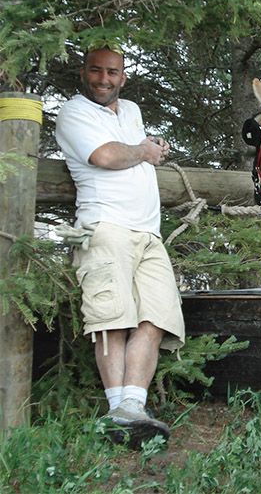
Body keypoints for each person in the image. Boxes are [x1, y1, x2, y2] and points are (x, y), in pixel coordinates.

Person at [55, 39, 185, 447]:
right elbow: (106, 157)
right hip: (105, 226)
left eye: (112, 72)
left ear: (123, 77)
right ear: (83, 74)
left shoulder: (130, 110)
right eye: (96, 70)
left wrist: (151, 152)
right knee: (111, 318)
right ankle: (118, 413)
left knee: (156, 316)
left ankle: (132, 407)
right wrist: (143, 151)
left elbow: (134, 152)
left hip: (148, 232)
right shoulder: (73, 112)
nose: (104, 79)